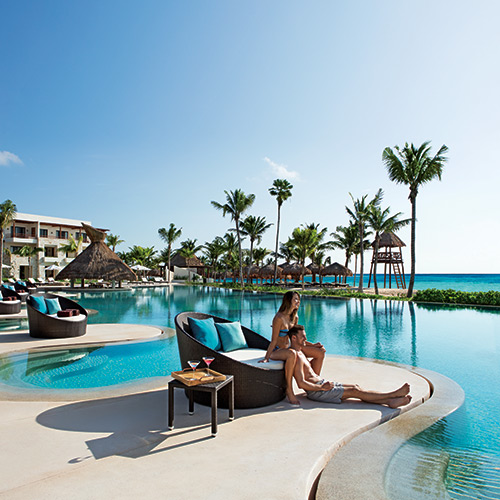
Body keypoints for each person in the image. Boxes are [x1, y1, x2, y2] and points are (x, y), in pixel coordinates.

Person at [288, 325, 412, 408]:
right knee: (355, 391)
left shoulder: (301, 352)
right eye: (303, 336)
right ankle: (393, 395)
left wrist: (315, 346)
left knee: (355, 387)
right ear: (294, 338)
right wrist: (322, 387)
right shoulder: (295, 356)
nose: (306, 338)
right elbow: (301, 383)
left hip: (322, 385)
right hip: (318, 392)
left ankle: (389, 401)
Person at [259, 291, 325, 405]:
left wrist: (314, 345)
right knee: (292, 354)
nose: (298, 302)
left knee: (320, 352)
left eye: (298, 299)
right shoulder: (278, 318)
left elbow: (297, 338)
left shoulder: (294, 317)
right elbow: (274, 340)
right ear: (288, 301)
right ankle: (289, 390)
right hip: (278, 351)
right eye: (295, 299)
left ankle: (313, 383)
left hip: (290, 348)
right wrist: (267, 357)